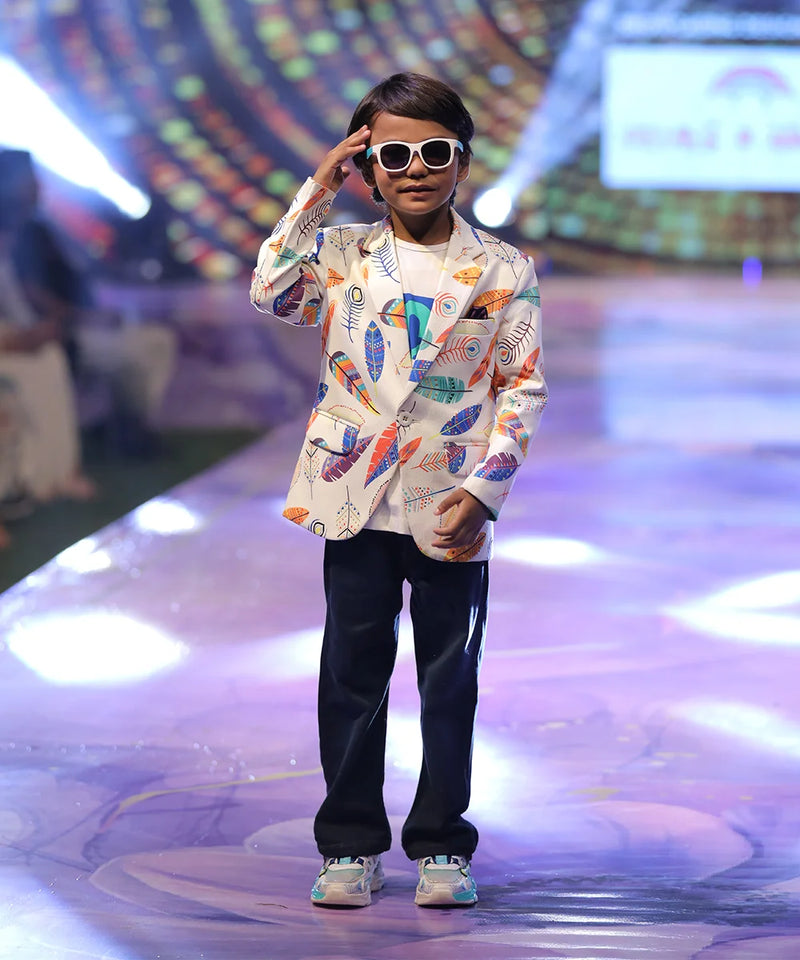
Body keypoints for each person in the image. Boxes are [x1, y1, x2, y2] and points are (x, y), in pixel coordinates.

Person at [250, 72, 547, 908]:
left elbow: (521, 388)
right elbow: (270, 291)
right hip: (353, 496)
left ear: (463, 160)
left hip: (452, 505)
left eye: (435, 151)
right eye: (393, 153)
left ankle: (443, 847)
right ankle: (348, 843)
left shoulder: (502, 268)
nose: (415, 169)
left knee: (451, 678)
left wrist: (486, 492)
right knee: (350, 674)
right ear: (368, 166)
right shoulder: (341, 254)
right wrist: (316, 189)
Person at [0, 149, 176, 456]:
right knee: (134, 349)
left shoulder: (37, 228)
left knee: (155, 341)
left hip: (52, 329)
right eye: (28, 181)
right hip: (48, 331)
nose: (37, 187)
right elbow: (33, 294)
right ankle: (117, 434)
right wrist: (78, 319)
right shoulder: (18, 234)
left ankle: (126, 427)